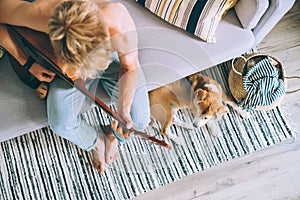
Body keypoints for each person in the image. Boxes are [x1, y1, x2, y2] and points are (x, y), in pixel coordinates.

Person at [0, 0, 150, 174]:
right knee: (61, 123)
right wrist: (26, 62)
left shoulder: (118, 21)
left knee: (139, 120)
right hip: (67, 64)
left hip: (113, 60)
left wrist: (122, 111)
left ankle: (112, 135)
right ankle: (96, 142)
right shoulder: (43, 13)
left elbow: (129, 68)